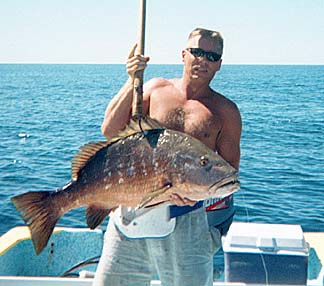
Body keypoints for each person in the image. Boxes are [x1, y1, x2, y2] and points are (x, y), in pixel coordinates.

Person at [93, 27, 242, 286]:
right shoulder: (154, 88)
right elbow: (110, 130)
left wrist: (195, 194)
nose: (202, 60)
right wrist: (132, 79)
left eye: (211, 56)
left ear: (219, 64)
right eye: (197, 52)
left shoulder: (225, 112)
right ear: (183, 54)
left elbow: (228, 174)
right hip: (130, 211)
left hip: (186, 221)